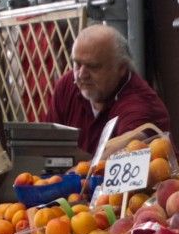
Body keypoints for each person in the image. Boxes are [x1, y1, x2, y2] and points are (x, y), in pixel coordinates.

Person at [46, 24, 170, 156]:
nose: (81, 74)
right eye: (77, 63)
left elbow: (125, 152)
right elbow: (48, 142)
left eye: (93, 66)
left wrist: (71, 159)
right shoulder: (68, 85)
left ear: (121, 68)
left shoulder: (139, 102)